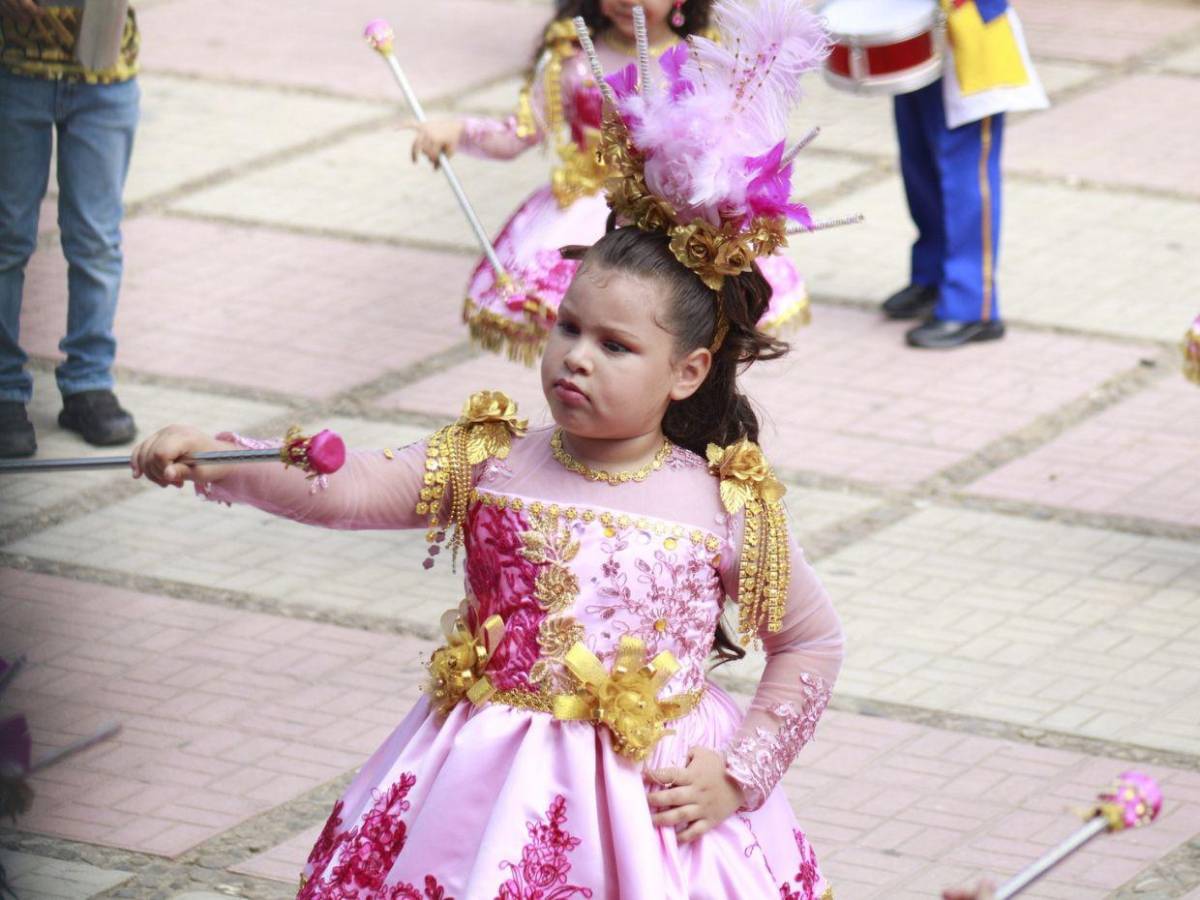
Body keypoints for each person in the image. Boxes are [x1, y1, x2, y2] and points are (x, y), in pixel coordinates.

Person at [131, 2, 844, 895]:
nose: (577, 358)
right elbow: (345, 488)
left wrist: (740, 773)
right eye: (568, 328)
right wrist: (221, 457)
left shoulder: (723, 504)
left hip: (657, 825)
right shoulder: (491, 460)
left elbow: (810, 642)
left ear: (689, 372)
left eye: (616, 347)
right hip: (477, 802)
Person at [408, 0, 812, 365]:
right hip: (584, 216)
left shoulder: (702, 58)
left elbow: (728, 146)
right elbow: (519, 132)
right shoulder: (570, 56)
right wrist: (457, 130)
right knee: (595, 336)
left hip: (677, 225)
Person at [0, 0, 139, 458]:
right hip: (15, 70)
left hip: (106, 77)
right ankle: (4, 391)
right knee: (7, 239)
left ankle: (89, 384)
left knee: (96, 242)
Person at [881, 0, 1047, 349]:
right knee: (919, 167)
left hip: (971, 34)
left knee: (966, 180)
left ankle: (973, 306)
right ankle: (933, 278)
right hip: (917, 32)